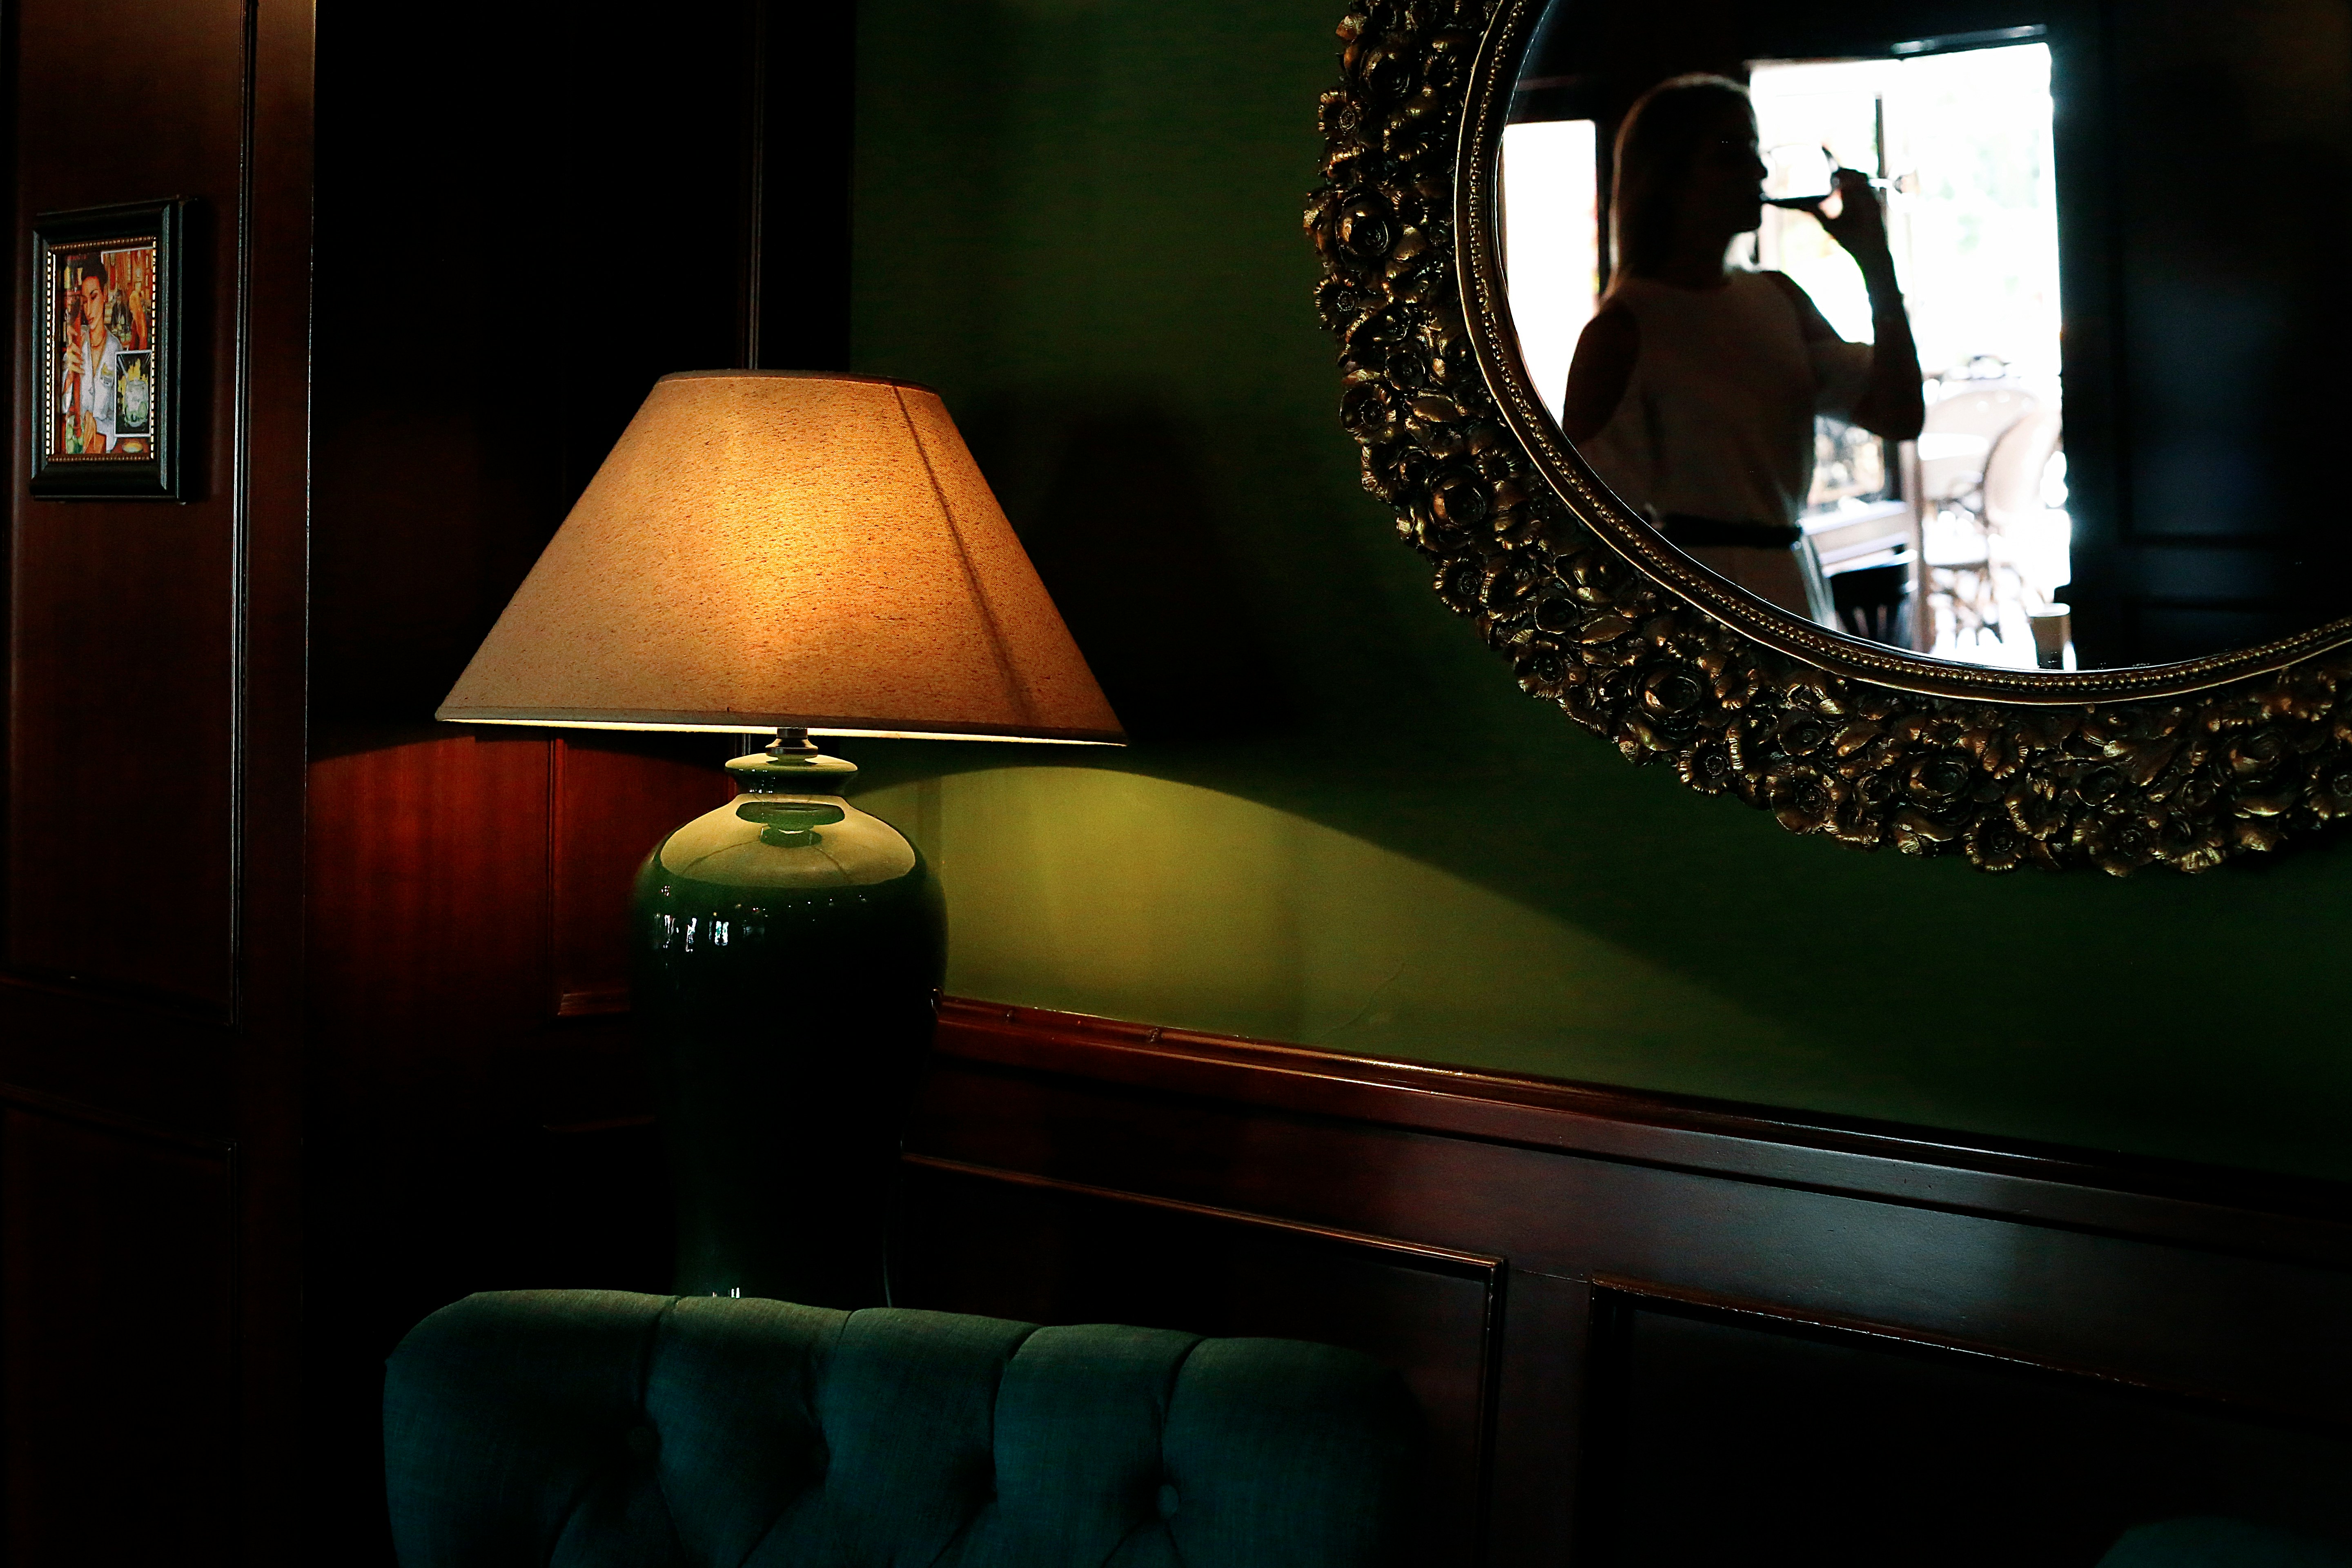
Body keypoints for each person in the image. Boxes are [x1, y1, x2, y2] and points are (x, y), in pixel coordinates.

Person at [1564, 74, 1924, 617]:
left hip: (1794, 586)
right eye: (1734, 153)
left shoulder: (1777, 297)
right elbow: (1583, 518)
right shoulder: (1624, 329)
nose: (1759, 171)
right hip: (1694, 603)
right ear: (1670, 176)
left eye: (1755, 151)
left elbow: (1900, 416)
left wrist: (1877, 267)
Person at [62, 261, 124, 454]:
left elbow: (119, 418)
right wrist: (67, 379)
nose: (89, 310)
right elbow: (60, 408)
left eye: (94, 297)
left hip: (101, 447)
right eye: (85, 301)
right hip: (75, 445)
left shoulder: (116, 349)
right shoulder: (77, 341)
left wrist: (97, 424)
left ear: (105, 295)